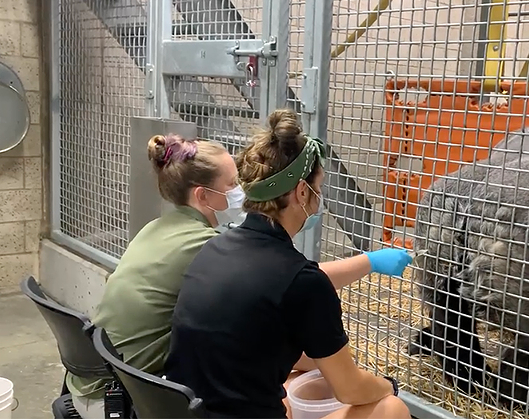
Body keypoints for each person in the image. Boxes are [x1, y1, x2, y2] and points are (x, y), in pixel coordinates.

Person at [164, 109, 413, 419]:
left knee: (294, 383)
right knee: (390, 409)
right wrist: (388, 385)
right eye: (318, 188)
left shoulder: (212, 249)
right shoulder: (303, 281)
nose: (318, 197)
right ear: (302, 192)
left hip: (183, 412)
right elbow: (350, 390)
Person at [68, 133, 242, 419]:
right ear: (202, 195)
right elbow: (276, 283)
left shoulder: (154, 228)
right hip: (119, 400)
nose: (239, 191)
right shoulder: (202, 244)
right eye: (232, 184)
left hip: (92, 381)